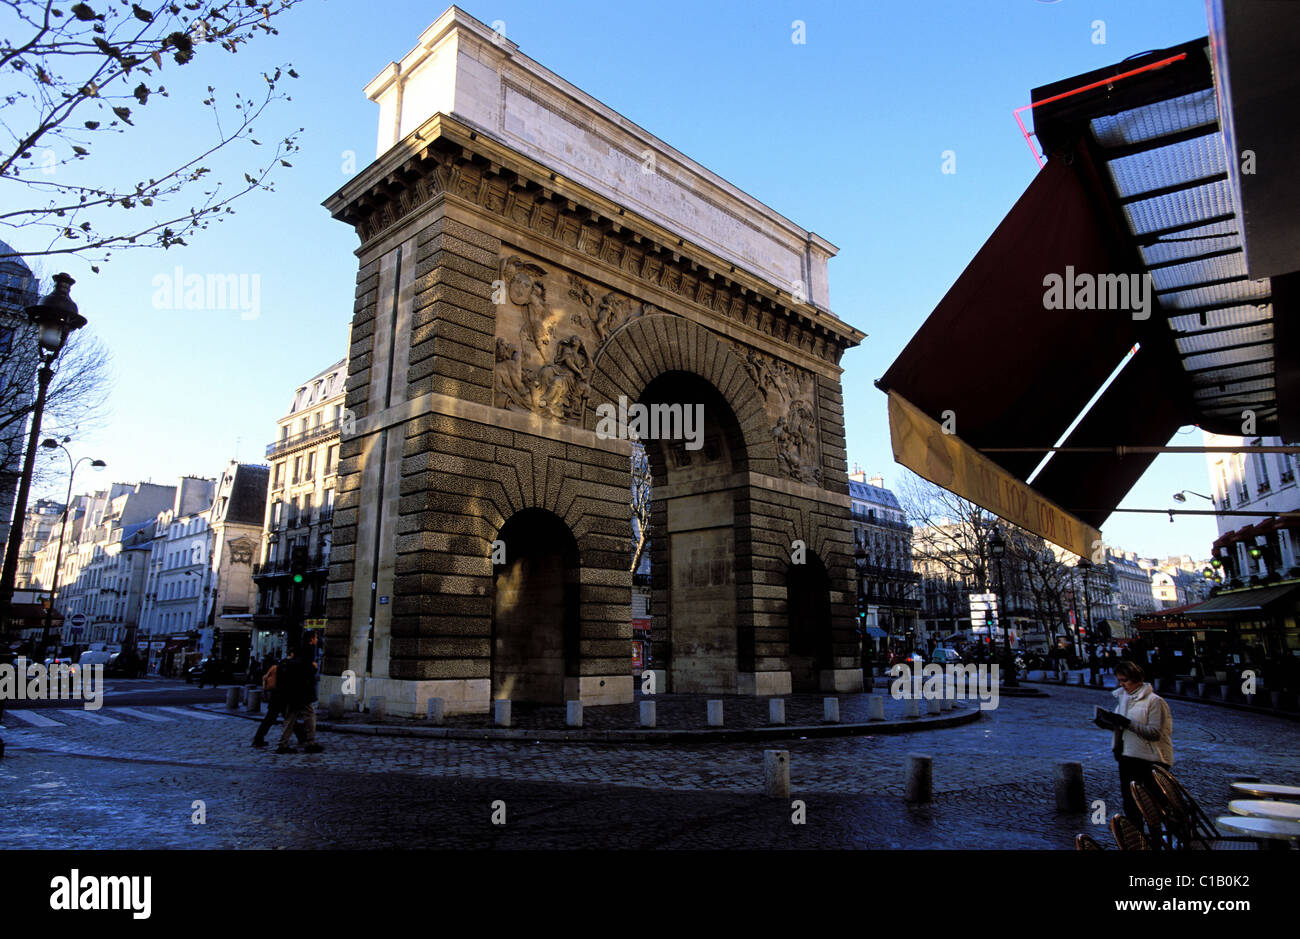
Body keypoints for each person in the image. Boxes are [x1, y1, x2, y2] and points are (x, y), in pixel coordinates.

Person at [1104, 660, 1173, 833]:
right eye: (1119, 680)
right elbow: (1122, 726)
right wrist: (1109, 723)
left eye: (1125, 680)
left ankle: (1161, 838)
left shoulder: (1155, 701)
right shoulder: (1124, 699)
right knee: (1130, 804)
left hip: (1150, 759)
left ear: (1136, 679)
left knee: (1154, 805)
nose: (1121, 684)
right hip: (1127, 757)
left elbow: (1155, 733)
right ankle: (1139, 840)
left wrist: (1127, 723)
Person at [275, 644, 323, 754]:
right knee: (310, 715)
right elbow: (309, 676)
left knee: (290, 718)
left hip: (291, 695)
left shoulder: (287, 663)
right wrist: (314, 668)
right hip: (302, 695)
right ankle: (311, 742)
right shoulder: (304, 663)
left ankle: (282, 744)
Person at [251, 656, 306, 749]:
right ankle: (301, 736)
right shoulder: (290, 668)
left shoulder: (279, 666)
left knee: (272, 718)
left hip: (276, 696)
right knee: (288, 718)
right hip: (283, 696)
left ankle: (258, 738)